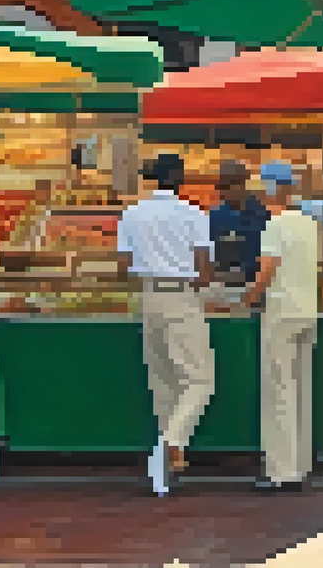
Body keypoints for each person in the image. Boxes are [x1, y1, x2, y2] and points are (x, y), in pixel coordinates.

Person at [116, 153, 215, 497]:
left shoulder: (132, 214)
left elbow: (122, 267)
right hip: (181, 297)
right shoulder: (194, 215)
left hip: (148, 298)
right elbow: (205, 271)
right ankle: (174, 442)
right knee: (199, 378)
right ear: (180, 179)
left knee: (163, 383)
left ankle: (163, 472)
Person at [245, 161, 320, 492]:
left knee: (278, 391)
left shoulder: (274, 225)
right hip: (308, 311)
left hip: (282, 312)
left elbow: (267, 269)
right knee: (301, 390)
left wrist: (250, 297)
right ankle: (301, 465)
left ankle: (281, 472)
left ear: (272, 189)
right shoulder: (308, 224)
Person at [209, 160, 270, 288]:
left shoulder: (262, 215)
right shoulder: (215, 216)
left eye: (233, 184)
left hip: (256, 287)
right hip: (224, 286)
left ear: (244, 184)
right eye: (223, 186)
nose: (226, 191)